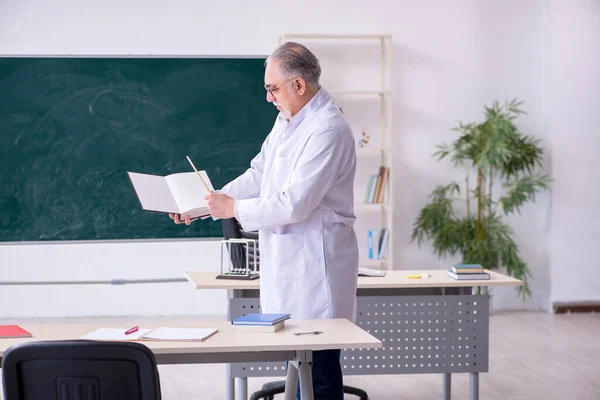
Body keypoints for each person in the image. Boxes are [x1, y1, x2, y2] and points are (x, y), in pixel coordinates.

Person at [169, 41, 358, 400]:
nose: (269, 97)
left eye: (273, 88)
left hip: (316, 274)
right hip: (290, 267)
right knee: (300, 367)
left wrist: (234, 209)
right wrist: (205, 204)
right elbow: (259, 174)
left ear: (298, 85)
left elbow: (295, 204)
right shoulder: (288, 121)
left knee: (318, 373)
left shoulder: (328, 129)